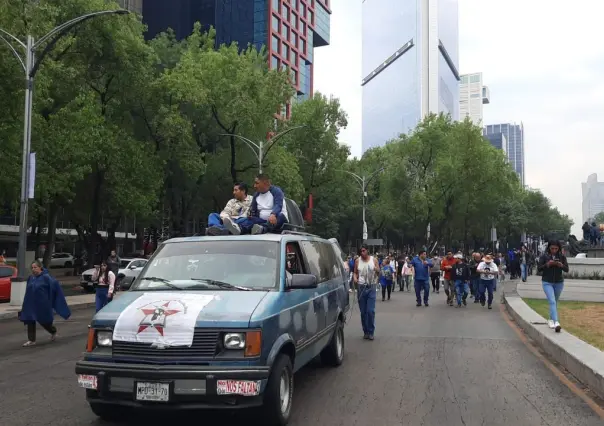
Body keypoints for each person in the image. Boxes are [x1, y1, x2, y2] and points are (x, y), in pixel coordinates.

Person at [20, 260, 70, 347]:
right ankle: (31, 340)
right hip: (31, 304)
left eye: (35, 267)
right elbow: (28, 291)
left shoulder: (46, 277)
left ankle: (53, 331)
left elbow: (54, 287)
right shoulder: (31, 278)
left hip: (43, 304)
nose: (33, 269)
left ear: (40, 268)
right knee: (30, 320)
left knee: (44, 321)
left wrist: (51, 300)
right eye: (32, 268)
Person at [537, 240, 569, 332]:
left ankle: (550, 319)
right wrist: (547, 264)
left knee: (555, 301)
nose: (554, 250)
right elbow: (539, 268)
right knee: (552, 301)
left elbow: (567, 269)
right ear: (549, 248)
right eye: (552, 248)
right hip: (547, 282)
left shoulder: (562, 257)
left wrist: (561, 265)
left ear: (559, 248)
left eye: (556, 248)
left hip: (559, 282)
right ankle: (556, 322)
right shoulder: (544, 256)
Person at [353, 244, 379, 340]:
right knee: (363, 312)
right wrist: (355, 278)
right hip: (361, 287)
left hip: (371, 286)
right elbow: (355, 272)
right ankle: (366, 331)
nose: (362, 253)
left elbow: (378, 271)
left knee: (370, 311)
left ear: (367, 251)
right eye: (361, 251)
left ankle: (371, 331)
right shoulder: (357, 261)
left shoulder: (374, 260)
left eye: (364, 251)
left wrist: (376, 269)